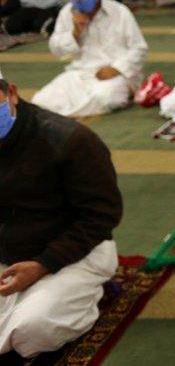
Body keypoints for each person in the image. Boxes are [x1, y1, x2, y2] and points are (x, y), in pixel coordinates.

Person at [0, 73, 122, 358]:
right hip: (8, 253)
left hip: (74, 256)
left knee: (31, 329)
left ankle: (92, 295)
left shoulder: (70, 140)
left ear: (12, 94)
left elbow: (101, 217)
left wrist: (43, 264)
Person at [32, 0, 147, 117]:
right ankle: (73, 111)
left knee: (104, 98)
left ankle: (66, 113)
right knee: (40, 100)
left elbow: (139, 49)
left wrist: (116, 68)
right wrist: (75, 32)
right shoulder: (67, 13)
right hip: (79, 74)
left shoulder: (119, 11)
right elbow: (56, 50)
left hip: (116, 74)